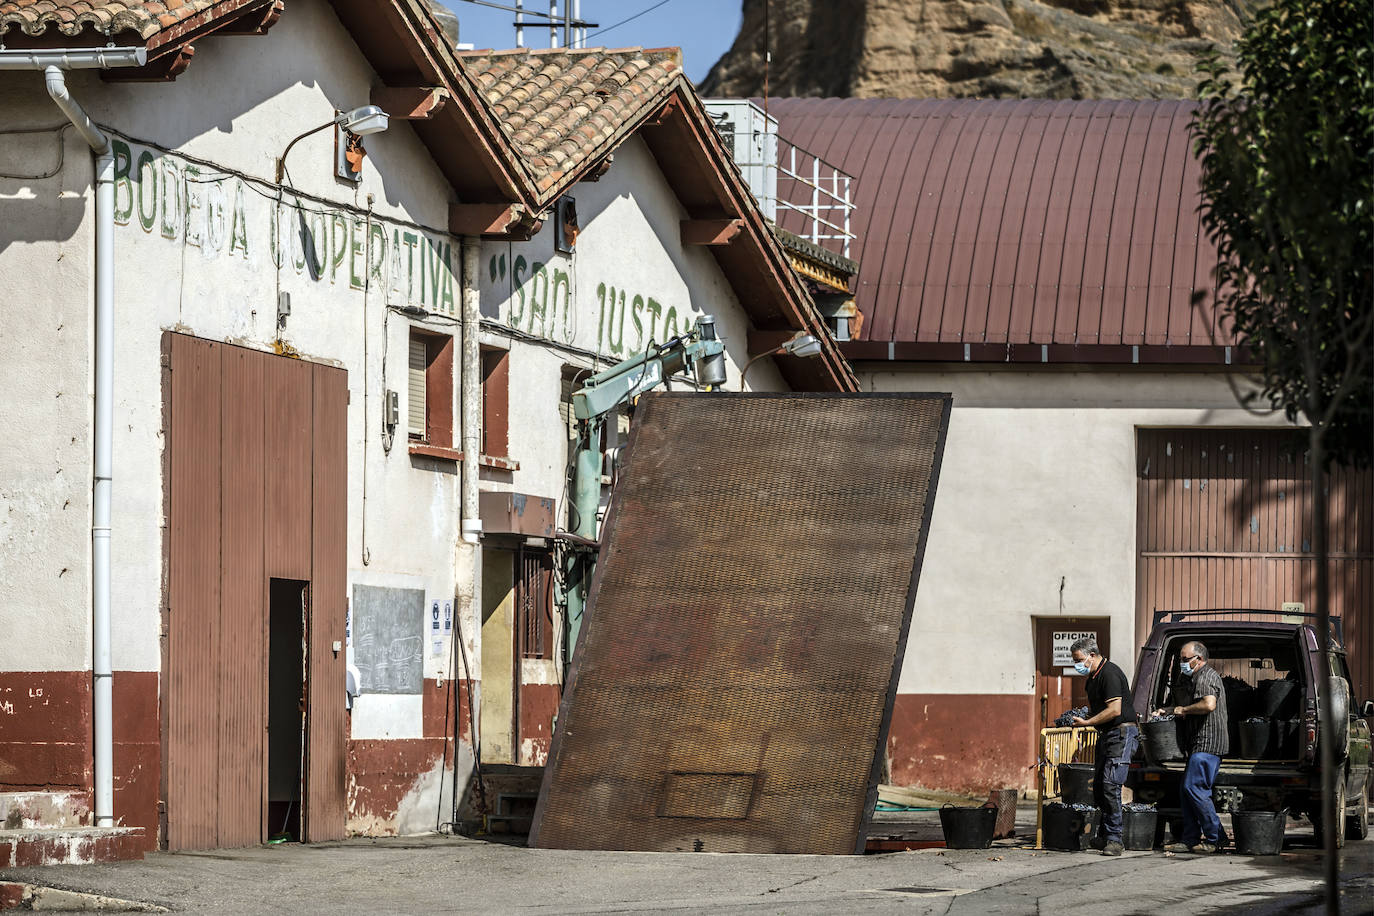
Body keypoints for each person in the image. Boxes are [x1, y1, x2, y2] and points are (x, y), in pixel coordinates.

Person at [1154, 640, 1229, 854]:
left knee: (1194, 788)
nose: (1182, 663)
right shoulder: (1195, 677)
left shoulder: (1205, 676)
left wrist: (1183, 709)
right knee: (1186, 791)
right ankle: (1190, 839)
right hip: (1198, 744)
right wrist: (1167, 711)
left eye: (1186, 659)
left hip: (1208, 743)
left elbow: (1208, 704)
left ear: (1200, 659)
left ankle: (1217, 838)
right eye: (1180, 659)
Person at [1069, 636, 1140, 856]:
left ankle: (1115, 840)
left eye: (1079, 659)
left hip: (1122, 733)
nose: (1077, 665)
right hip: (1108, 734)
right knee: (1099, 786)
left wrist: (1088, 722)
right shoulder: (1092, 678)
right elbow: (1098, 710)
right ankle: (1104, 834)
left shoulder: (1109, 673)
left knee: (1111, 784)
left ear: (1092, 655)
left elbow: (1114, 710)